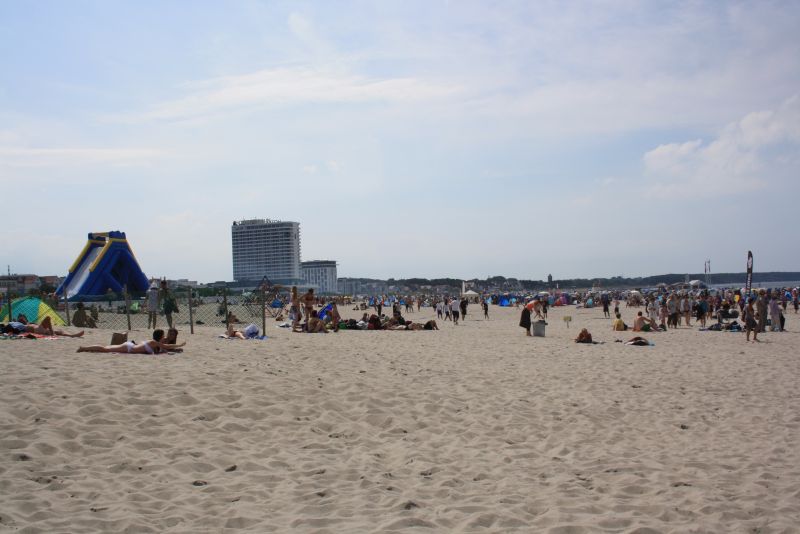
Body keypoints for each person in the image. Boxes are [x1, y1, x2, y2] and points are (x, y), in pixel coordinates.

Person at [77, 329, 185, 354]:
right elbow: (166, 347)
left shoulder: (154, 343)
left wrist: (176, 349)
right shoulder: (154, 342)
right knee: (105, 349)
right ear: (160, 337)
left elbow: (165, 348)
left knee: (106, 348)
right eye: (163, 335)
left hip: (130, 346)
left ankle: (85, 348)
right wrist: (179, 345)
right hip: (129, 348)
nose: (165, 337)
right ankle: (84, 348)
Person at [5, 316, 84, 337]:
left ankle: (73, 335)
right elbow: (14, 327)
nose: (24, 319)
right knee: (48, 318)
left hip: (40, 330)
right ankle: (52, 332)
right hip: (38, 330)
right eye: (22, 319)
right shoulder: (24, 325)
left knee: (60, 331)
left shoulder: (28, 323)